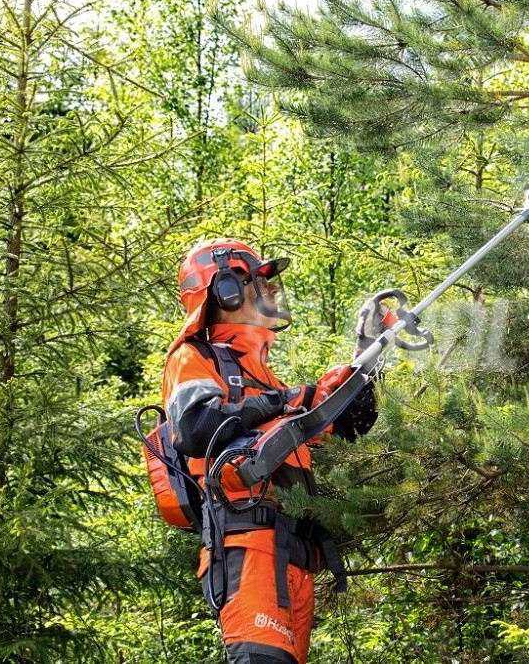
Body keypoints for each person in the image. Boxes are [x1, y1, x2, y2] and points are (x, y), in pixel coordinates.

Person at [161, 238, 381, 664]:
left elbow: (349, 425)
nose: (273, 290)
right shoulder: (193, 357)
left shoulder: (261, 375)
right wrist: (286, 400)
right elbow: (195, 427)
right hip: (249, 548)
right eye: (261, 281)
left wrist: (366, 360)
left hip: (293, 556)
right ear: (226, 290)